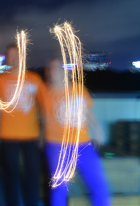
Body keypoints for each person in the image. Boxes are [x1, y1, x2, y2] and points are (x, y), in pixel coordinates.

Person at [43, 58, 110, 205]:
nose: (55, 71)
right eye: (52, 68)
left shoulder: (79, 88)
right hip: (57, 146)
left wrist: (98, 129)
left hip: (83, 144)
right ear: (49, 73)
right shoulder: (45, 92)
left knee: (99, 185)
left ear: (66, 72)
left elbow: (88, 111)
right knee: (60, 187)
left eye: (59, 68)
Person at [0, 43, 47, 205]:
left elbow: (45, 107)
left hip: (31, 135)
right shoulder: (1, 80)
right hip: (8, 135)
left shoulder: (34, 79)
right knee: (10, 173)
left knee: (32, 172)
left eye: (16, 55)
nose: (13, 58)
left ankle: (31, 202)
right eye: (10, 55)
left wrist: (43, 133)